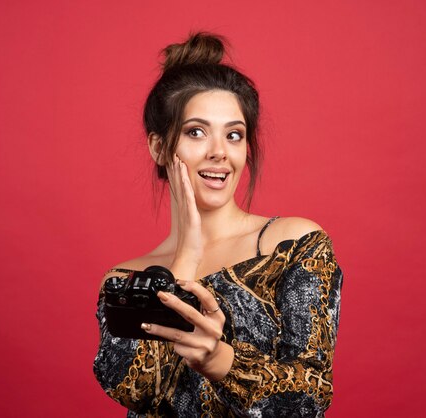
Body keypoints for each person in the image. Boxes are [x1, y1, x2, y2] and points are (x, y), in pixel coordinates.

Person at [93, 32, 343, 417]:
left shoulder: (292, 245)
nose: (219, 152)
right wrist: (187, 254)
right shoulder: (126, 280)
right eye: (196, 132)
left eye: (233, 134)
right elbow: (134, 389)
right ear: (159, 147)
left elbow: (310, 398)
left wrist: (219, 360)